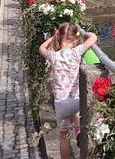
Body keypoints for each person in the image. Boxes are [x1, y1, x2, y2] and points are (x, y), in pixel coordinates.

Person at [38, 23, 97, 159]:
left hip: (61, 102)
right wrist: (84, 34)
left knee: (63, 135)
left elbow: (41, 48)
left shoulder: (53, 56)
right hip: (76, 99)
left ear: (59, 38)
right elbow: (93, 37)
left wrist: (53, 37)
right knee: (78, 119)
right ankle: (78, 134)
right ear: (75, 39)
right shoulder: (77, 52)